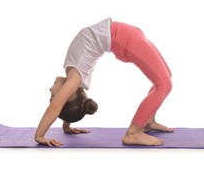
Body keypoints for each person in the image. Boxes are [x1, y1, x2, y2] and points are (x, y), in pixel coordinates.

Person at [35, 17, 173, 147]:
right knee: (164, 85)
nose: (50, 91)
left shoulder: (71, 71)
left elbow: (62, 105)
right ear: (68, 95)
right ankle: (133, 133)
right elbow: (55, 108)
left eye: (53, 97)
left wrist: (67, 126)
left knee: (166, 76)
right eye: (54, 97)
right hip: (125, 40)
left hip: (126, 35)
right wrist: (39, 136)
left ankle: (148, 121)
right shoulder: (75, 78)